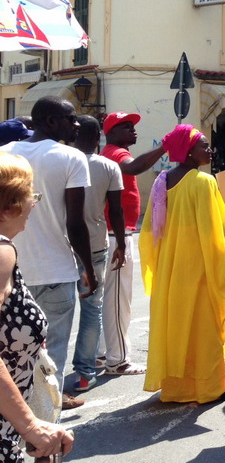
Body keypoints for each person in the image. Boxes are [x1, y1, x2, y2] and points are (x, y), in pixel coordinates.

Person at [2, 97, 95, 419]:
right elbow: (75, 222)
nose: (77, 124)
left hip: (11, 271)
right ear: (52, 121)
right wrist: (87, 267)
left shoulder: (5, 153)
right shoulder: (72, 157)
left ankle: (19, 425)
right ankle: (46, 429)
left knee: (11, 356)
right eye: (71, 118)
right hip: (56, 271)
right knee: (51, 358)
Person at [0, 152, 75, 463]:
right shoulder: (1, 251)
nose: (34, 203)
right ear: (10, 204)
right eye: (31, 195)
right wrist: (30, 425)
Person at [139, 125, 225, 404]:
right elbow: (215, 230)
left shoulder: (162, 181)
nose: (210, 150)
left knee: (177, 329)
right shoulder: (203, 182)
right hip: (199, 269)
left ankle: (176, 388)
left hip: (170, 270)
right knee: (205, 331)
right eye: (204, 145)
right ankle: (210, 388)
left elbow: (147, 233)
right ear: (188, 151)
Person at [101, 111, 167, 376]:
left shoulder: (111, 152)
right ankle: (118, 360)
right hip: (117, 235)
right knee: (118, 301)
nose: (133, 130)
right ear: (112, 132)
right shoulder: (116, 153)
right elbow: (134, 167)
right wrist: (164, 147)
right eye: (126, 126)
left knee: (110, 299)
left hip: (113, 233)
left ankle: (103, 353)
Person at [69, 115, 126, 394]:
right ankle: (84, 373)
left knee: (57, 311)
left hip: (61, 246)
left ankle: (44, 375)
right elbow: (116, 210)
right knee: (91, 309)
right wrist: (122, 244)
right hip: (94, 246)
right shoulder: (108, 166)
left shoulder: (65, 161)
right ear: (97, 138)